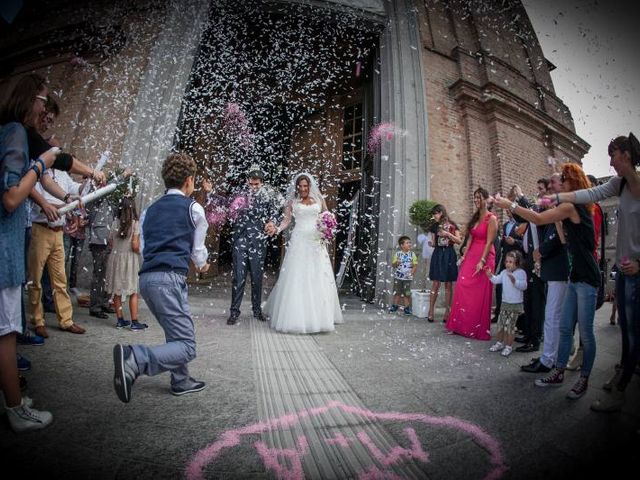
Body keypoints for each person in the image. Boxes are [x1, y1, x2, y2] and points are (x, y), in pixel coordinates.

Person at [545, 133, 640, 412]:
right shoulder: (618, 185)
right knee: (625, 329)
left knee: (633, 332)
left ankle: (620, 391)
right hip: (623, 270)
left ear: (625, 154)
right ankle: (623, 371)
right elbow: (591, 192)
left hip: (636, 269)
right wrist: (558, 196)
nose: (610, 161)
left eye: (613, 155)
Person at [495, 163, 599, 400]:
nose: (556, 184)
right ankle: (559, 370)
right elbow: (563, 238)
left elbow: (538, 219)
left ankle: (583, 379)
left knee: (586, 332)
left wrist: (510, 204)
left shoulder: (573, 206)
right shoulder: (568, 209)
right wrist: (556, 217)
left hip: (587, 278)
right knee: (563, 327)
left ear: (572, 183)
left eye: (562, 179)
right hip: (575, 276)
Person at [112, 152, 210, 403]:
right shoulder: (194, 208)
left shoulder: (149, 210)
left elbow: (143, 248)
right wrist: (202, 265)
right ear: (189, 180)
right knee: (187, 345)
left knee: (175, 330)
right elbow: (198, 252)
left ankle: (181, 380)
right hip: (170, 279)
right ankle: (135, 359)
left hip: (146, 279)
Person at [0, 73, 57, 431]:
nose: (45, 109)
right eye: (43, 100)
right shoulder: (17, 132)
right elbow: (10, 196)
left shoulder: (5, 130)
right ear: (30, 100)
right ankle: (16, 409)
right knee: (6, 333)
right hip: (4, 249)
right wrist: (42, 164)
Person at [264, 173, 343, 333]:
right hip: (299, 240)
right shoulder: (292, 202)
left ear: (310, 186)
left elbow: (327, 216)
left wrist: (327, 228)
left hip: (316, 242)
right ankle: (296, 317)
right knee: (297, 276)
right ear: (297, 187)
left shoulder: (320, 200)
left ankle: (320, 317)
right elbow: (286, 221)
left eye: (305, 186)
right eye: (300, 186)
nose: (303, 188)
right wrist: (277, 229)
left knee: (318, 275)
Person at [521, 172, 569, 374]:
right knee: (554, 316)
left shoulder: (561, 211)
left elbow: (559, 239)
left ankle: (550, 359)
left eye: (548, 190)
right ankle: (552, 355)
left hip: (559, 270)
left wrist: (541, 251)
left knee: (552, 316)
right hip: (552, 269)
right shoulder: (553, 212)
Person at [227, 166, 282, 325]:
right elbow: (228, 208)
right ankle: (234, 312)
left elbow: (276, 212)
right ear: (247, 182)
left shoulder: (269, 196)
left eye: (256, 184)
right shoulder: (240, 195)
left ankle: (257, 311)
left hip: (258, 241)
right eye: (251, 184)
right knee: (238, 277)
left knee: (257, 278)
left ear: (262, 183)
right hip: (240, 240)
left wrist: (272, 222)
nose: (253, 187)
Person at [446, 187, 497, 340]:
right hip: (471, 253)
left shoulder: (492, 218)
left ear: (486, 199)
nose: (476, 200)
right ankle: (459, 325)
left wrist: (482, 260)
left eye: (479, 197)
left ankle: (475, 329)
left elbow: (489, 242)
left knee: (479, 293)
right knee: (462, 285)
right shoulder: (475, 218)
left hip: (485, 255)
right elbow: (470, 239)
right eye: (474, 197)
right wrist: (464, 257)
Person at [105, 196, 145, 330]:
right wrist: (141, 250)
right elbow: (134, 245)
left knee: (117, 290)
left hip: (115, 259)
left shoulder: (115, 223)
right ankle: (134, 322)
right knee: (133, 291)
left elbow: (110, 242)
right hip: (130, 260)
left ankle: (120, 320)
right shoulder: (135, 224)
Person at [487, 251, 527, 357]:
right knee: (500, 325)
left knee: (510, 326)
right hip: (505, 303)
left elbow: (524, 286)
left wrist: (515, 282)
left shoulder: (521, 273)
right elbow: (496, 280)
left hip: (515, 304)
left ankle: (508, 346)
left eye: (511, 262)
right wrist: (490, 276)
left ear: (517, 263)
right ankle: (499, 343)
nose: (508, 264)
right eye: (507, 261)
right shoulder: (504, 272)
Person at [426, 204, 461, 323]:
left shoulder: (452, 225)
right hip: (438, 253)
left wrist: (448, 234)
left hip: (449, 254)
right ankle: (431, 311)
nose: (433, 216)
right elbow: (435, 242)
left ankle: (447, 312)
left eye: (435, 213)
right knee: (435, 283)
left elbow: (459, 241)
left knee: (448, 284)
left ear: (441, 212)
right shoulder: (434, 226)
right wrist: (432, 244)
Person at [492, 206, 523, 323]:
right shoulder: (505, 225)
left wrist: (514, 241)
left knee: (515, 286)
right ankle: (499, 313)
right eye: (506, 209)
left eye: (509, 209)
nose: (507, 211)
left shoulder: (521, 224)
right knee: (500, 286)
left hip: (516, 261)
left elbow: (524, 242)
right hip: (505, 260)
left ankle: (517, 319)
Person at [388, 235, 419, 316]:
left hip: (407, 279)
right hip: (398, 278)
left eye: (410, 243)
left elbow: (415, 265)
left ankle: (407, 308)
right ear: (402, 245)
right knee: (397, 292)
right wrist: (396, 262)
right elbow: (393, 265)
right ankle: (395, 306)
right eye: (407, 243)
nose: (409, 244)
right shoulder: (398, 254)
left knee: (407, 293)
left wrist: (411, 273)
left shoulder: (412, 254)